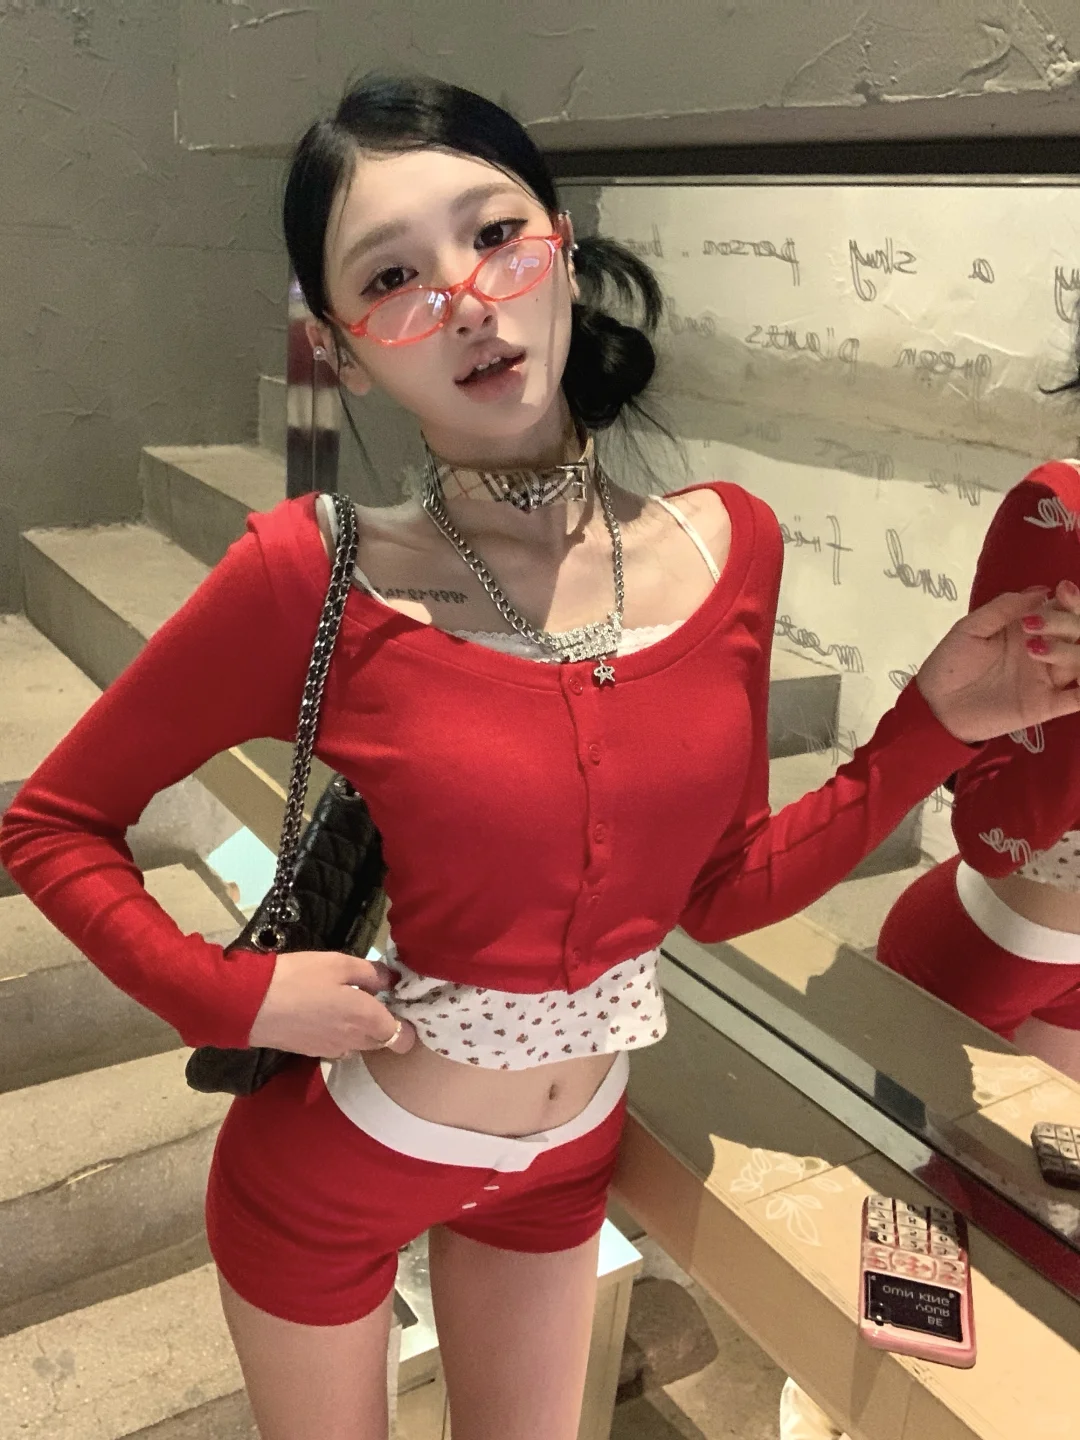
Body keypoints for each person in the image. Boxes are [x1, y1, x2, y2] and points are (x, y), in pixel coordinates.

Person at [3, 71, 1080, 1440]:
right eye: (392, 276)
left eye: (494, 233)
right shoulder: (313, 576)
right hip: (338, 1173)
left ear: (561, 247)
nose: (464, 296)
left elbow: (722, 894)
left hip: (564, 1169)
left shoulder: (729, 546)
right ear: (341, 350)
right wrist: (231, 996)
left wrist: (931, 726)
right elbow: (51, 820)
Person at [877, 459, 1080, 1083]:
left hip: (1017, 940)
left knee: (927, 1137)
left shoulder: (1060, 504)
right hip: (1019, 935)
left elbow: (995, 830)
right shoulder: (1058, 507)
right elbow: (994, 829)